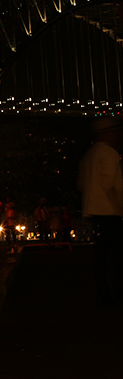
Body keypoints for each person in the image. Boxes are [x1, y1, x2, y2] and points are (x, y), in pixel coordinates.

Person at [77, 116, 123, 305]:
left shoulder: (88, 155)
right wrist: (119, 206)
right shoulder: (109, 154)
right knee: (116, 254)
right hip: (110, 210)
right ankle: (115, 291)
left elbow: (81, 184)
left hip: (94, 210)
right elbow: (111, 184)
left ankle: (103, 293)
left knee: (101, 254)